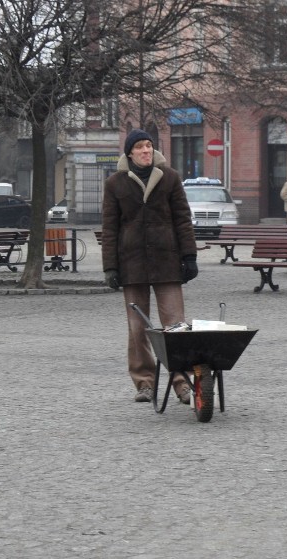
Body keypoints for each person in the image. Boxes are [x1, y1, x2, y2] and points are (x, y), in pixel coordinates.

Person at [101, 128, 199, 404]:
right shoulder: (115, 183)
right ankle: (144, 382)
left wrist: (189, 256)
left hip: (167, 261)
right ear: (130, 152)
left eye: (149, 146)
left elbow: (182, 219)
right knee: (137, 328)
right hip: (132, 263)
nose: (146, 151)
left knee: (176, 327)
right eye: (140, 147)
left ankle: (182, 382)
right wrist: (111, 267)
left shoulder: (169, 178)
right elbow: (110, 228)